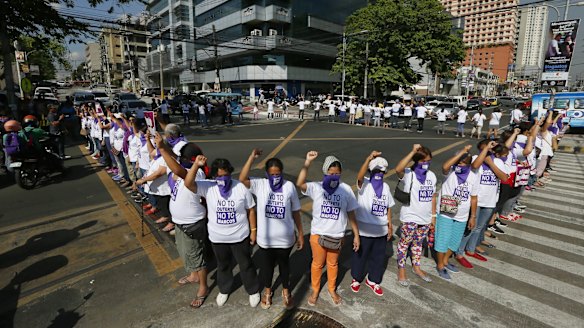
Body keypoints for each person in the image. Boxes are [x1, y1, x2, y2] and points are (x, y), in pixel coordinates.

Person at [186, 156, 261, 308]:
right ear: (214, 176)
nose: (223, 179)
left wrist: (253, 231)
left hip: (240, 236)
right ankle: (224, 289)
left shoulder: (240, 188)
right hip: (218, 238)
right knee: (223, 265)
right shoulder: (208, 187)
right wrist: (195, 165)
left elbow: (251, 210)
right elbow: (188, 184)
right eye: (219, 176)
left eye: (225, 175)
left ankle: (253, 290)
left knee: (246, 264)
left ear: (230, 173)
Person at [239, 149, 304, 309]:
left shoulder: (289, 186)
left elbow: (296, 211)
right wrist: (251, 157)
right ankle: (268, 291)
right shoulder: (260, 184)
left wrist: (301, 233)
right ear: (267, 174)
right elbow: (242, 179)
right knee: (267, 268)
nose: (275, 177)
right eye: (272, 174)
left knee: (284, 266)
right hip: (265, 240)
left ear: (282, 172)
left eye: (278, 173)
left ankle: (286, 291)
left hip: (285, 238)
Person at [296, 152, 359, 306]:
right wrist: (307, 162)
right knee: (317, 264)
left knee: (333, 264)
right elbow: (300, 183)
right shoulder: (316, 187)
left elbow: (351, 213)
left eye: (337, 173)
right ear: (325, 172)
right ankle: (315, 290)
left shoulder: (345, 189)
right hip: (318, 235)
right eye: (331, 173)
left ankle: (331, 289)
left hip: (337, 235)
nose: (334, 176)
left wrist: (356, 235)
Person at [156, 134, 210, 308]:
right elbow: (176, 162)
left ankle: (203, 287)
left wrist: (162, 149)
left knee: (196, 255)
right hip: (180, 221)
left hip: (192, 223)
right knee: (186, 252)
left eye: (183, 158)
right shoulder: (187, 167)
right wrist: (162, 146)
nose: (179, 160)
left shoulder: (197, 172)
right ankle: (194, 275)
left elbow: (180, 171)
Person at [454, 140, 507, 269]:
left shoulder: (498, 161)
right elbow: (474, 166)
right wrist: (485, 156)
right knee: (470, 227)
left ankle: (471, 250)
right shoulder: (475, 158)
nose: (489, 150)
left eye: (491, 148)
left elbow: (504, 178)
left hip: (489, 200)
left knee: (479, 228)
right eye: (485, 148)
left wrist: (491, 163)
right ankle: (459, 252)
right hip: (476, 199)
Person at [350, 151, 394, 296]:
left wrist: (390, 224)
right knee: (360, 256)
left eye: (382, 171)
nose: (379, 174)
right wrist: (368, 158)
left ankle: (373, 280)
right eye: (376, 171)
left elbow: (388, 207)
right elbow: (359, 176)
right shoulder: (365, 184)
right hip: (364, 231)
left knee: (378, 258)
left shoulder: (386, 187)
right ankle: (356, 278)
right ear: (371, 171)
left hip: (380, 231)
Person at [435, 145, 479, 280]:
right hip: (446, 212)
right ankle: (440, 265)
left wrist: (472, 216)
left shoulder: (473, 176)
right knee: (443, 239)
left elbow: (474, 198)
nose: (461, 165)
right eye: (459, 161)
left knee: (454, 241)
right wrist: (462, 153)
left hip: (462, 214)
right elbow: (444, 166)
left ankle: (446, 261)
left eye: (464, 163)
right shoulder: (450, 172)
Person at [394, 144, 436, 286]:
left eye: (429, 161)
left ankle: (416, 267)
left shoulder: (432, 176)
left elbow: (433, 196)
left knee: (418, 244)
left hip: (425, 217)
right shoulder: (408, 174)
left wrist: (433, 216)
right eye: (423, 161)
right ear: (417, 161)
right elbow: (398, 169)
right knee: (405, 243)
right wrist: (412, 151)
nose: (426, 164)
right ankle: (401, 270)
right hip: (410, 216)